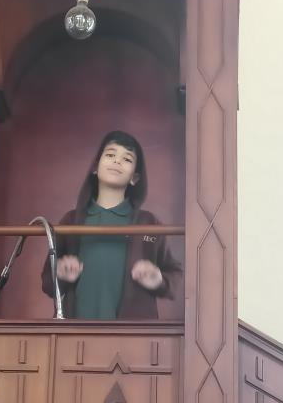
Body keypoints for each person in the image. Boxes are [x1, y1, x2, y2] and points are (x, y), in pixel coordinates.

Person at [41, 130, 181, 319]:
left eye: (127, 159)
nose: (117, 161)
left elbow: (175, 275)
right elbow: (48, 283)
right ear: (95, 167)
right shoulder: (71, 221)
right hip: (76, 330)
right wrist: (61, 274)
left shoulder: (149, 223)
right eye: (110, 155)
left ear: (134, 178)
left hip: (133, 333)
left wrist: (158, 280)